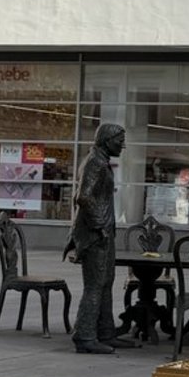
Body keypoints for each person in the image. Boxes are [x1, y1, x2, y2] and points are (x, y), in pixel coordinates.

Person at [64, 123, 134, 353]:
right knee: (94, 286)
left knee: (106, 283)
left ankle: (105, 333)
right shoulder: (95, 163)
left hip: (104, 232)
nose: (123, 144)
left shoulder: (101, 161)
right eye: (119, 140)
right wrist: (100, 225)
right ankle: (84, 337)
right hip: (96, 234)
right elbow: (83, 197)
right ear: (106, 140)